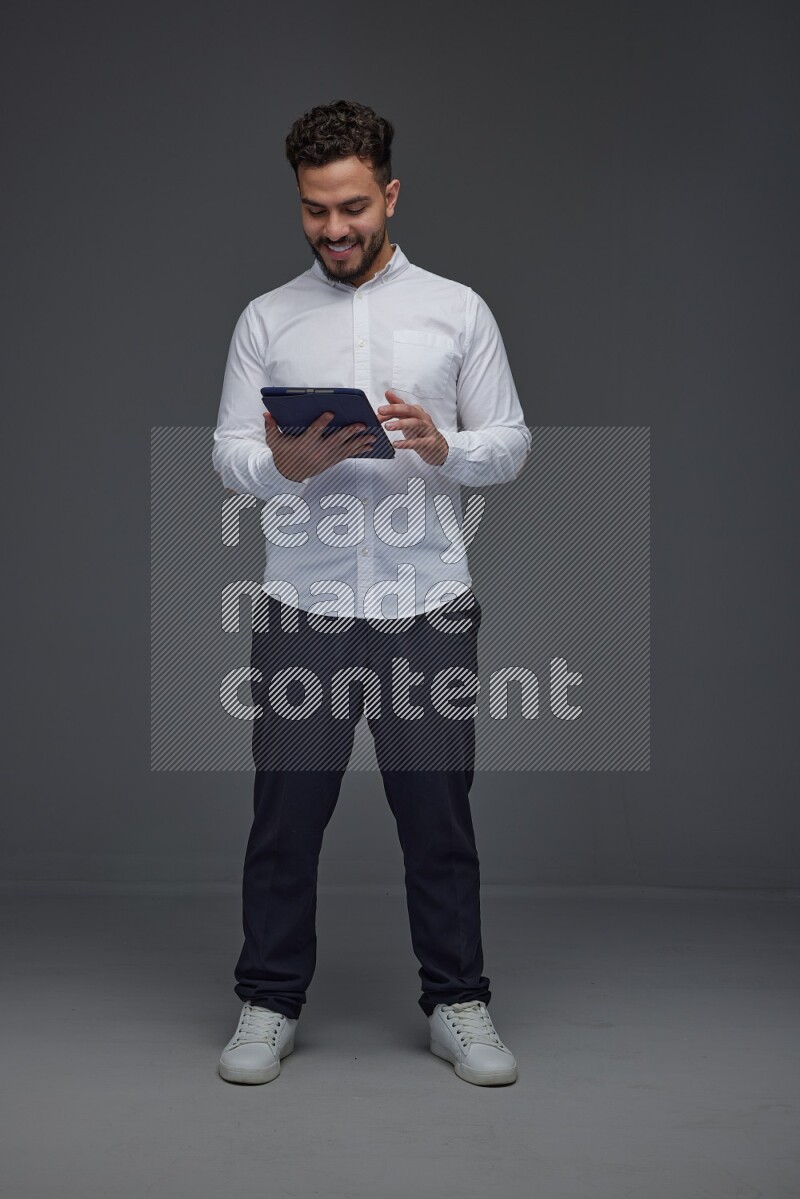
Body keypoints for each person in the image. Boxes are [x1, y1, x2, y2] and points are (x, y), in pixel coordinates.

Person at [212, 99, 531, 1087]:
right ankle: (269, 1001)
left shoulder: (457, 310)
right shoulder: (267, 318)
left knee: (436, 814)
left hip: (425, 603)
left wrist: (445, 446)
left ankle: (457, 1000)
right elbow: (227, 452)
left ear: (389, 193)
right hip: (302, 605)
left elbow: (511, 442)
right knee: (284, 816)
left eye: (352, 206)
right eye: (315, 209)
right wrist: (282, 466)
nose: (334, 228)